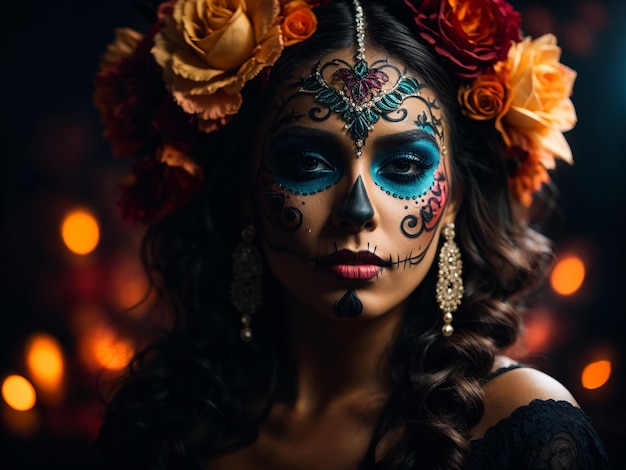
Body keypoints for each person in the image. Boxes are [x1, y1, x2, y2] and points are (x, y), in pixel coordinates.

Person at [89, 0, 610, 468]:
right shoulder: (166, 427)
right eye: (308, 162)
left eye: (405, 166)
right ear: (244, 193)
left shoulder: (521, 425)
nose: (356, 210)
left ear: (453, 200)